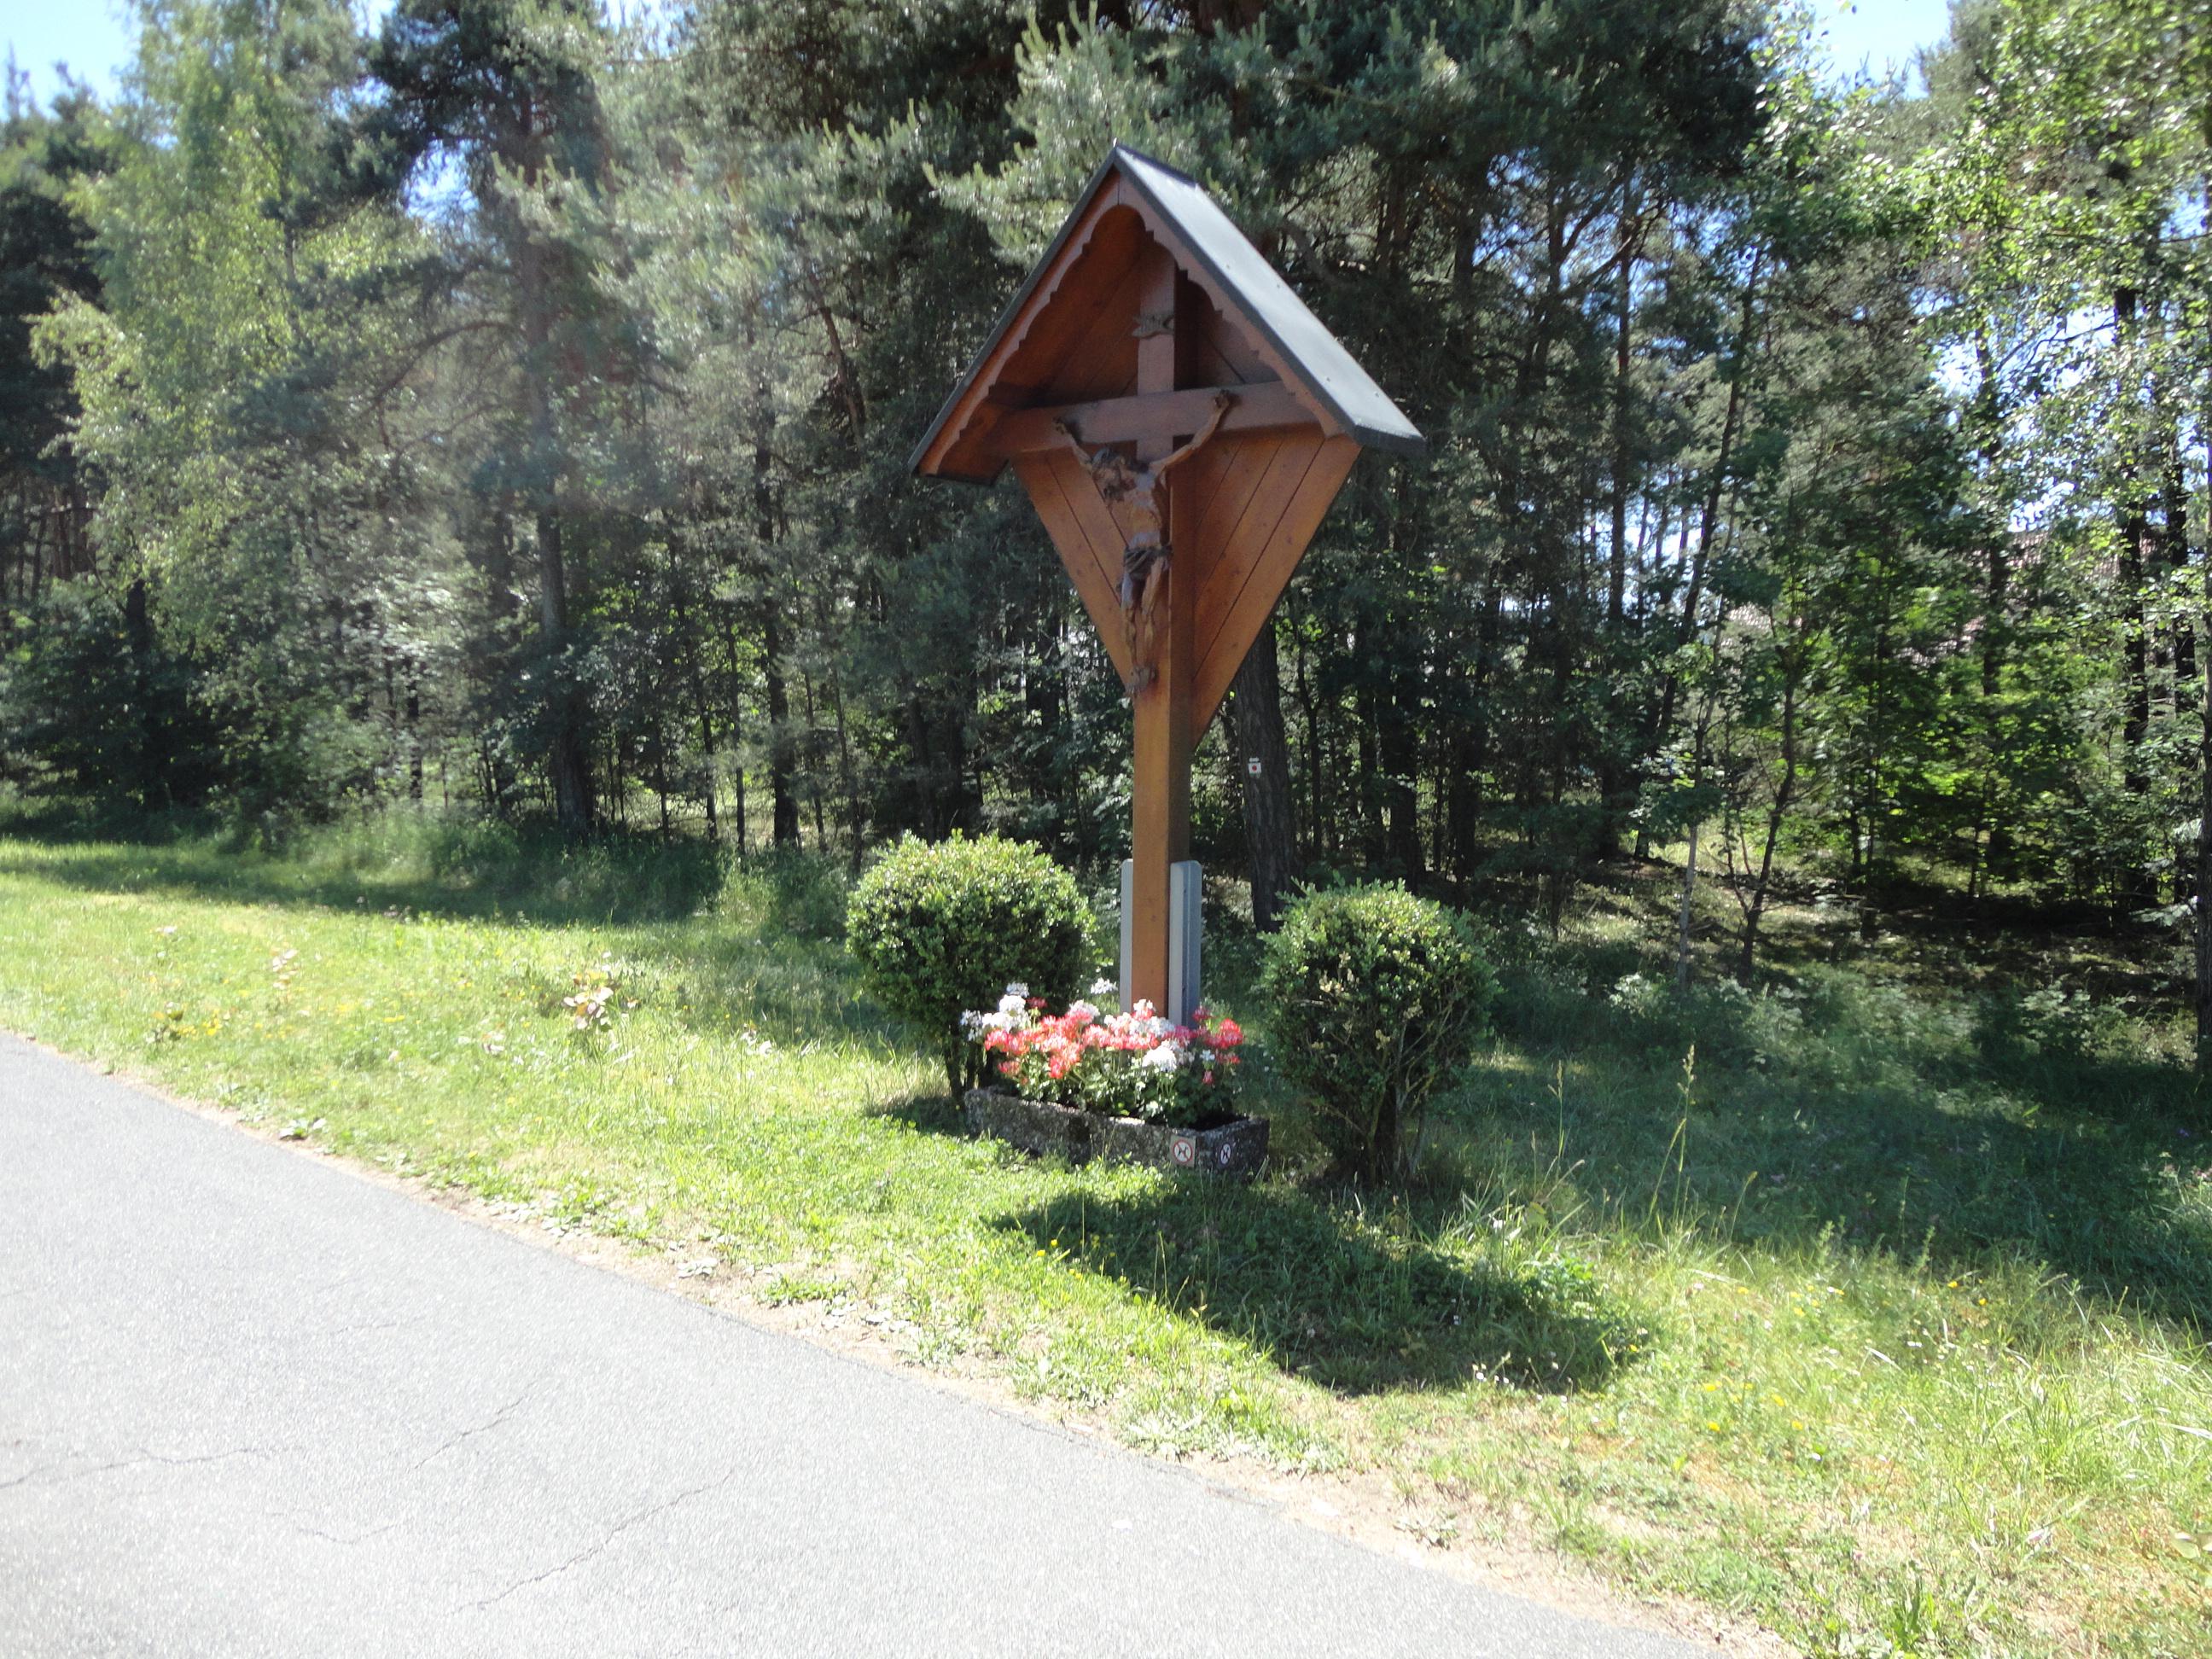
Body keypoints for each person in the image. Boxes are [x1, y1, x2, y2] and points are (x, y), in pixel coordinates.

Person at [1053, 389, 1233, 691]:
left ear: (1115, 464)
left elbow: (1191, 447)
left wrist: (1215, 416)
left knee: (1148, 611)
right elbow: (1085, 464)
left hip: (1157, 552)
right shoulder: (1121, 490)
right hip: (1133, 555)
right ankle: (1135, 667)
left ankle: (1148, 664)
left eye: (1105, 476)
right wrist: (1069, 438)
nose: (1104, 482)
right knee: (1126, 612)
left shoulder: (1153, 473)